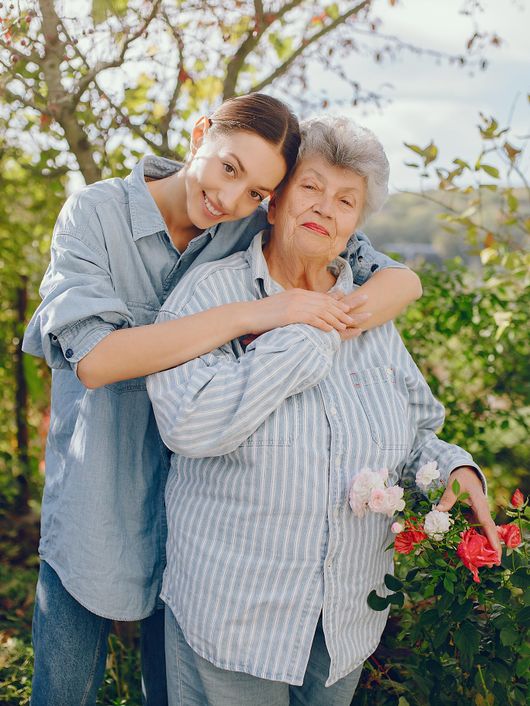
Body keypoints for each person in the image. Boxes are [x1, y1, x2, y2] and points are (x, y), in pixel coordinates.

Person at [22, 95, 422, 706]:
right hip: (105, 488)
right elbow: (98, 360)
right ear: (200, 132)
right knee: (65, 688)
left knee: (174, 687)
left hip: (201, 515)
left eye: (260, 190)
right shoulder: (97, 213)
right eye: (229, 168)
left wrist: (390, 291)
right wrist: (260, 312)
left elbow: (383, 270)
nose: (233, 199)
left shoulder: (244, 215)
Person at [147, 115, 501, 706]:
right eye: (311, 187)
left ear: (356, 225)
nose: (325, 208)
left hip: (343, 622)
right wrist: (311, 330)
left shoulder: (369, 309)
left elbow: (412, 430)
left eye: (345, 200)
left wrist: (454, 466)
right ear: (276, 199)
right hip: (232, 619)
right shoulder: (211, 294)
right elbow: (190, 426)